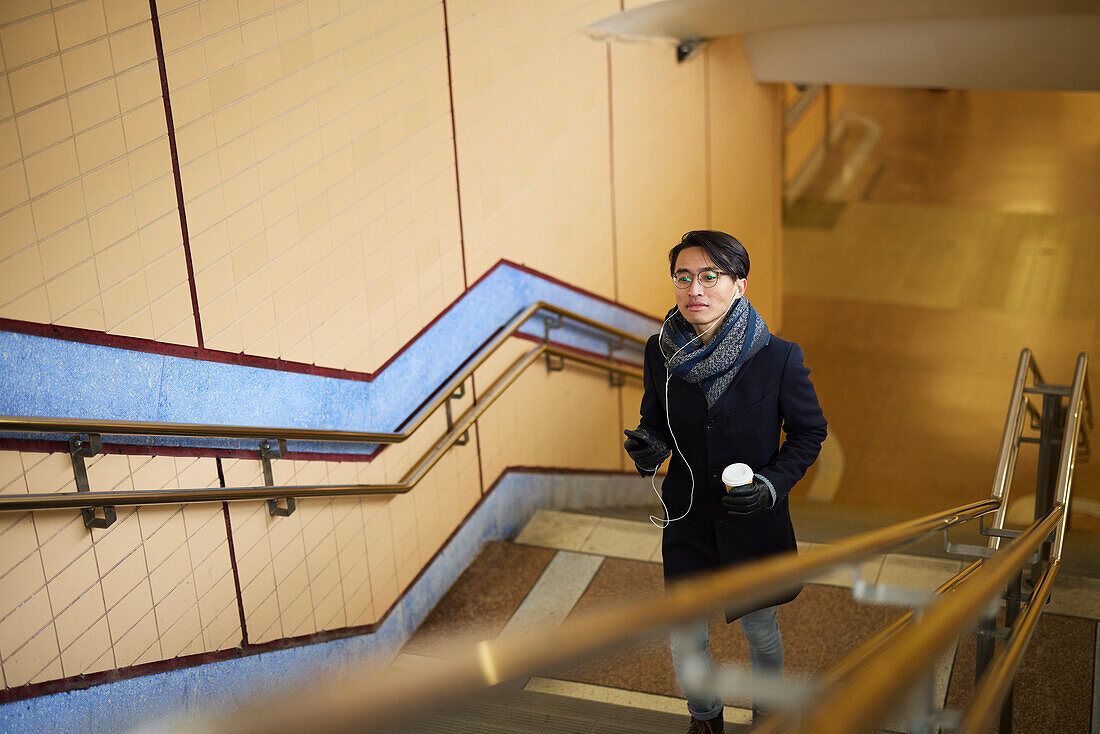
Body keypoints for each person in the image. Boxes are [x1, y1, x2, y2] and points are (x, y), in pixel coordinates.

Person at [623, 230, 827, 734]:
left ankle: (767, 712)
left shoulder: (779, 357)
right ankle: (705, 719)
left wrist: (773, 484)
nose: (695, 289)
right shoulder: (659, 351)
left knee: (760, 630)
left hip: (752, 519)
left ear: (739, 285)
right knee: (686, 638)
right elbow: (657, 420)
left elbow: (808, 433)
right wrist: (650, 446)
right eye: (684, 277)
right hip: (688, 516)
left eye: (710, 276)